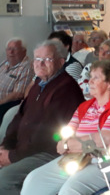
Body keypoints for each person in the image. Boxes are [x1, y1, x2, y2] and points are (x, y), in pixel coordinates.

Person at [21, 60, 110, 194]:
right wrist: (66, 143)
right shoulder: (85, 107)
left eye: (95, 78)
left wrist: (68, 145)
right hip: (77, 158)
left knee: (70, 190)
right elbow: (68, 134)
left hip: (109, 162)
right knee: (34, 179)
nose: (89, 81)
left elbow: (104, 139)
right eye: (90, 77)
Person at [0, 40, 84, 194]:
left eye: (47, 59)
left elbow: (46, 136)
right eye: (37, 59)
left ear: (60, 62)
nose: (40, 64)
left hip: (48, 152)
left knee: (4, 179)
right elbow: (19, 117)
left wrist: (12, 156)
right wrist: (6, 146)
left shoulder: (66, 89)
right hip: (25, 149)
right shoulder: (39, 83)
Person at [0, 38, 33, 125]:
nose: (11, 52)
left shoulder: (27, 68)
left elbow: (18, 94)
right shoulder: (4, 63)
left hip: (6, 106)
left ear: (24, 51)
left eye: (15, 49)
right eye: (9, 49)